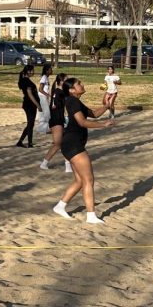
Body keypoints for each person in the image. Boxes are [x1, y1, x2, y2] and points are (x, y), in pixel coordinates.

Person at [53, 76, 114, 224]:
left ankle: (60, 206)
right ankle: (91, 215)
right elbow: (82, 122)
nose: (82, 84)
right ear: (72, 90)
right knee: (89, 180)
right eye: (79, 84)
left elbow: (93, 114)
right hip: (73, 145)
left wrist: (107, 105)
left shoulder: (76, 101)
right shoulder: (72, 101)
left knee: (80, 180)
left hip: (71, 144)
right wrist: (103, 125)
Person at [40, 71, 73, 173]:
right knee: (59, 144)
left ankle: (66, 166)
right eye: (66, 80)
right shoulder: (59, 93)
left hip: (58, 120)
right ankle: (45, 163)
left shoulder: (57, 92)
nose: (67, 82)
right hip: (57, 121)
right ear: (61, 81)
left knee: (63, 143)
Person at [16, 64, 41, 147]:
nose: (33, 72)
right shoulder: (27, 82)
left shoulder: (25, 80)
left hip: (29, 105)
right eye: (32, 70)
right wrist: (38, 105)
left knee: (31, 123)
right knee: (30, 123)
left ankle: (20, 141)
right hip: (30, 105)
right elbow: (30, 95)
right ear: (28, 71)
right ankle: (29, 143)